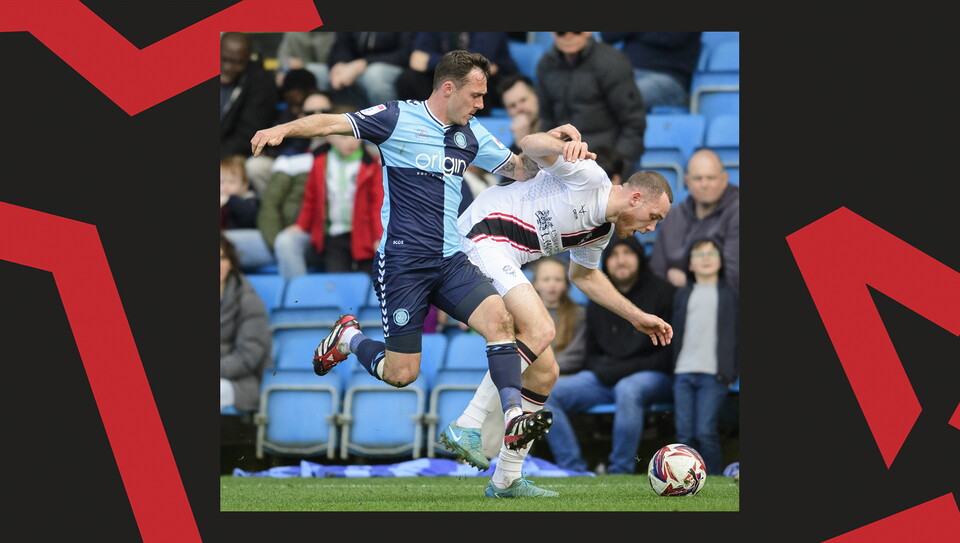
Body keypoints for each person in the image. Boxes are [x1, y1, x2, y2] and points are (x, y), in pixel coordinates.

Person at [250, 51, 560, 494]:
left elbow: (521, 169)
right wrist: (283, 127)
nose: (480, 104)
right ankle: (350, 339)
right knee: (402, 374)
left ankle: (512, 415)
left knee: (501, 323)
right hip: (402, 265)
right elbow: (332, 121)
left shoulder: (471, 135)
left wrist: (551, 144)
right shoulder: (395, 118)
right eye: (475, 95)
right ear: (447, 88)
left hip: (450, 260)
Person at [440, 129, 674, 496]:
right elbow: (530, 146)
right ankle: (467, 424)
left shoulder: (600, 232)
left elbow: (584, 276)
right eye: (654, 216)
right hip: (480, 238)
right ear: (636, 197)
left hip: (505, 255)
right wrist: (563, 147)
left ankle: (506, 479)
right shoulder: (590, 176)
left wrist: (635, 316)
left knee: (547, 373)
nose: (651, 228)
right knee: (542, 328)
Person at [543, 233, 676, 475]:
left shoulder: (664, 293)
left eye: (627, 253)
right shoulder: (599, 299)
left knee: (629, 388)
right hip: (604, 379)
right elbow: (590, 354)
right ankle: (573, 469)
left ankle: (620, 470)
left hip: (652, 377)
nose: (620, 260)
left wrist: (616, 371)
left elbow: (667, 356)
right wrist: (605, 371)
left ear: (639, 257)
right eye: (613, 254)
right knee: (546, 395)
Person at [224, 92, 333, 273]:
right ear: (300, 117)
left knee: (288, 243)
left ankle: (300, 301)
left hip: (325, 239)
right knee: (223, 243)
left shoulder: (350, 155)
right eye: (310, 113)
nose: (317, 118)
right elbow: (270, 206)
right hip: (284, 238)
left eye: (324, 111)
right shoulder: (289, 158)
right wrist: (278, 244)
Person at [272, 103, 384, 279]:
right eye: (344, 137)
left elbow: (378, 204)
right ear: (329, 137)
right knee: (337, 281)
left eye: (356, 136)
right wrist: (301, 226)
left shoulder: (371, 164)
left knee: (366, 282)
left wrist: (379, 236)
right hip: (334, 236)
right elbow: (311, 198)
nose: (352, 141)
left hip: (364, 235)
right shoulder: (320, 161)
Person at [537, 31, 647, 181]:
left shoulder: (612, 62)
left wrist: (618, 168)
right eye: (561, 31)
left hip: (608, 166)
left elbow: (633, 122)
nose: (569, 35)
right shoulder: (546, 65)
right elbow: (547, 120)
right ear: (552, 34)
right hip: (566, 166)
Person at [670, 236, 738, 476]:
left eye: (711, 253)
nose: (706, 258)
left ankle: (713, 476)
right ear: (690, 265)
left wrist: (730, 372)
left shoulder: (730, 296)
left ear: (721, 261)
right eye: (699, 254)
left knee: (705, 431)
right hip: (683, 372)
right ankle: (683, 477)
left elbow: (736, 336)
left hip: (713, 374)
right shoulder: (681, 295)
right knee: (685, 433)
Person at [649, 148, 739, 292]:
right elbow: (657, 270)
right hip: (676, 303)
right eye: (698, 178)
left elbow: (735, 277)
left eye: (711, 178)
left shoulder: (737, 211)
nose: (704, 184)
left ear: (724, 180)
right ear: (687, 181)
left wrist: (689, 282)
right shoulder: (674, 216)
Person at [395, 32, 518, 113]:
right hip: (451, 77)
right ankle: (428, 120)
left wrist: (430, 61)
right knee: (409, 78)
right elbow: (417, 60)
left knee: (474, 79)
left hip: (490, 84)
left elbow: (478, 63)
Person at [219, 32, 280, 195]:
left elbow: (248, 134)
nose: (227, 67)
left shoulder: (261, 82)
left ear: (247, 59)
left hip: (239, 153)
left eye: (236, 62)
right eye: (223, 59)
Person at [220, 233, 273, 413]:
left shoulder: (249, 301)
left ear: (231, 263)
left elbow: (248, 356)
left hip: (241, 382)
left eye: (222, 258)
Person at [599, 32, 702, 112]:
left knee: (621, 97)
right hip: (628, 74)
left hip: (668, 80)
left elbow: (669, 38)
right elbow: (608, 35)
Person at [326, 32, 414, 109]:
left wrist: (364, 63)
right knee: (318, 72)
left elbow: (404, 54)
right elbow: (342, 45)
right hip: (352, 67)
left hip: (393, 66)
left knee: (375, 74)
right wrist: (341, 63)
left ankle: (389, 122)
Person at [497, 74, 541, 155]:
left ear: (537, 96)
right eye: (512, 106)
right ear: (507, 112)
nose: (520, 108)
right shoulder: (511, 152)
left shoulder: (559, 131)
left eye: (523, 100)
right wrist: (521, 144)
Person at [220, 154, 259, 231]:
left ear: (245, 185)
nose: (225, 187)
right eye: (221, 182)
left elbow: (250, 217)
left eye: (231, 182)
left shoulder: (250, 201)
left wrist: (230, 200)